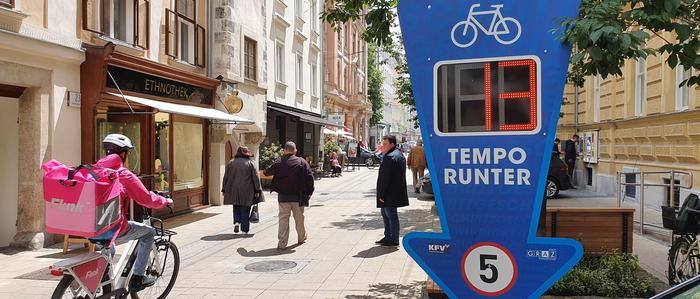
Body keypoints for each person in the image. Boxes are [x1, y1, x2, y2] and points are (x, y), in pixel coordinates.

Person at [94, 134, 172, 292]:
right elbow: (145, 199)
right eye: (128, 153)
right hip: (112, 227)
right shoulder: (122, 173)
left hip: (89, 227)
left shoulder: (95, 170)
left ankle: (104, 284)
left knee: (109, 249)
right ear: (123, 154)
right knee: (148, 233)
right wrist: (164, 201)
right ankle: (137, 278)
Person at [264, 141, 315, 249]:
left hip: (283, 197)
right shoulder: (302, 162)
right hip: (298, 197)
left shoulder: (279, 161)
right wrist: (310, 192)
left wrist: (276, 162)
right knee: (299, 218)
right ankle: (301, 237)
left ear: (284, 150)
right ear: (295, 150)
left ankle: (282, 243)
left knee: (283, 219)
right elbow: (310, 177)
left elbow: (266, 172)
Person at [375, 135, 409, 247]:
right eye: (382, 143)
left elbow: (385, 178)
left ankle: (393, 239)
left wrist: (382, 194)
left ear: (392, 144)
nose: (383, 146)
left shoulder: (390, 157)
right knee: (385, 213)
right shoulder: (398, 154)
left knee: (391, 215)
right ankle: (388, 236)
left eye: (385, 144)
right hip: (394, 192)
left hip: (389, 193)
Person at [222, 146, 263, 234]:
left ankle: (237, 222)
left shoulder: (231, 163)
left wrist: (224, 189)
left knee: (236, 206)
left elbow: (226, 177)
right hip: (247, 189)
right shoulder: (250, 163)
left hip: (233, 189)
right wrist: (257, 190)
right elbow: (255, 177)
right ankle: (244, 230)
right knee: (245, 208)